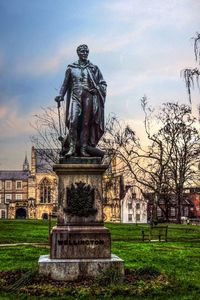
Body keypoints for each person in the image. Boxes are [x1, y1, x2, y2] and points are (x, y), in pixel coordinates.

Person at [55, 44, 107, 157]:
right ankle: (72, 148)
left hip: (88, 97)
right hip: (76, 97)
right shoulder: (71, 68)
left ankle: (83, 148)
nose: (85, 53)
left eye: (86, 52)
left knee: (86, 123)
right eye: (82, 52)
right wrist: (60, 95)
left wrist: (97, 89)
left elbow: (103, 83)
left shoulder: (93, 68)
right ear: (78, 53)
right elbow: (65, 84)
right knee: (73, 121)